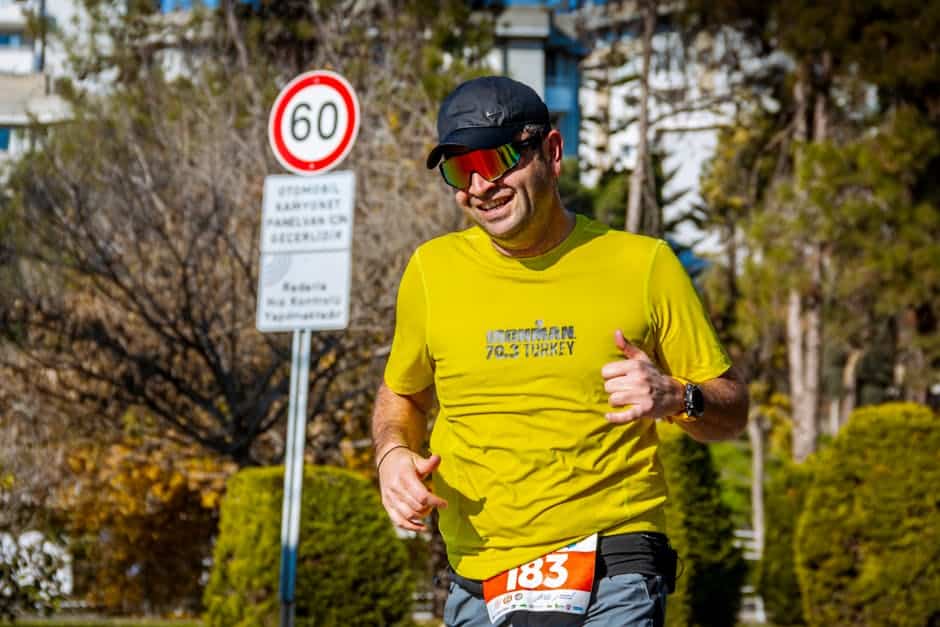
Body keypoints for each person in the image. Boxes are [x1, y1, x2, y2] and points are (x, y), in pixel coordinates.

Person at [371, 75, 748, 627]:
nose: (479, 186)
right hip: (479, 572)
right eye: (459, 169)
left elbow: (732, 410)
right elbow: (402, 394)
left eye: (496, 159)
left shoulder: (644, 265)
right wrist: (392, 455)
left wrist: (678, 396)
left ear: (550, 151)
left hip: (614, 559)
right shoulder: (432, 270)